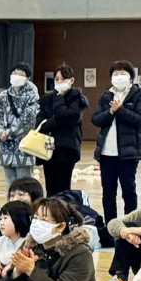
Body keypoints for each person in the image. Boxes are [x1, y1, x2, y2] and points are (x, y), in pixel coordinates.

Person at [91, 60, 141, 224]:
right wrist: (110, 111)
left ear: (131, 77)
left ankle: (130, 225)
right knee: (108, 192)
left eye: (123, 73)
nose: (119, 77)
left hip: (128, 153)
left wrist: (120, 110)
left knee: (128, 191)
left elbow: (140, 119)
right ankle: (111, 228)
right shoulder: (106, 95)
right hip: (106, 153)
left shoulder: (138, 95)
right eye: (115, 74)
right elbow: (96, 119)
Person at [37, 65, 88, 196]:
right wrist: (58, 120)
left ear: (71, 80)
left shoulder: (77, 98)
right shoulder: (47, 99)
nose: (59, 82)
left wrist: (59, 99)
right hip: (48, 147)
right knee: (51, 186)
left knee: (63, 187)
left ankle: (63, 214)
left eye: (63, 79)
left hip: (67, 147)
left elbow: (72, 118)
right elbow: (41, 124)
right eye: (57, 79)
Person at [0, 62, 39, 187]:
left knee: (24, 185)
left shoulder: (32, 95)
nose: (16, 76)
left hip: (24, 147)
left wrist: (8, 133)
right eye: (14, 73)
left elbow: (28, 120)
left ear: (27, 79)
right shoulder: (3, 95)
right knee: (10, 185)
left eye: (20, 74)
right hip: (5, 148)